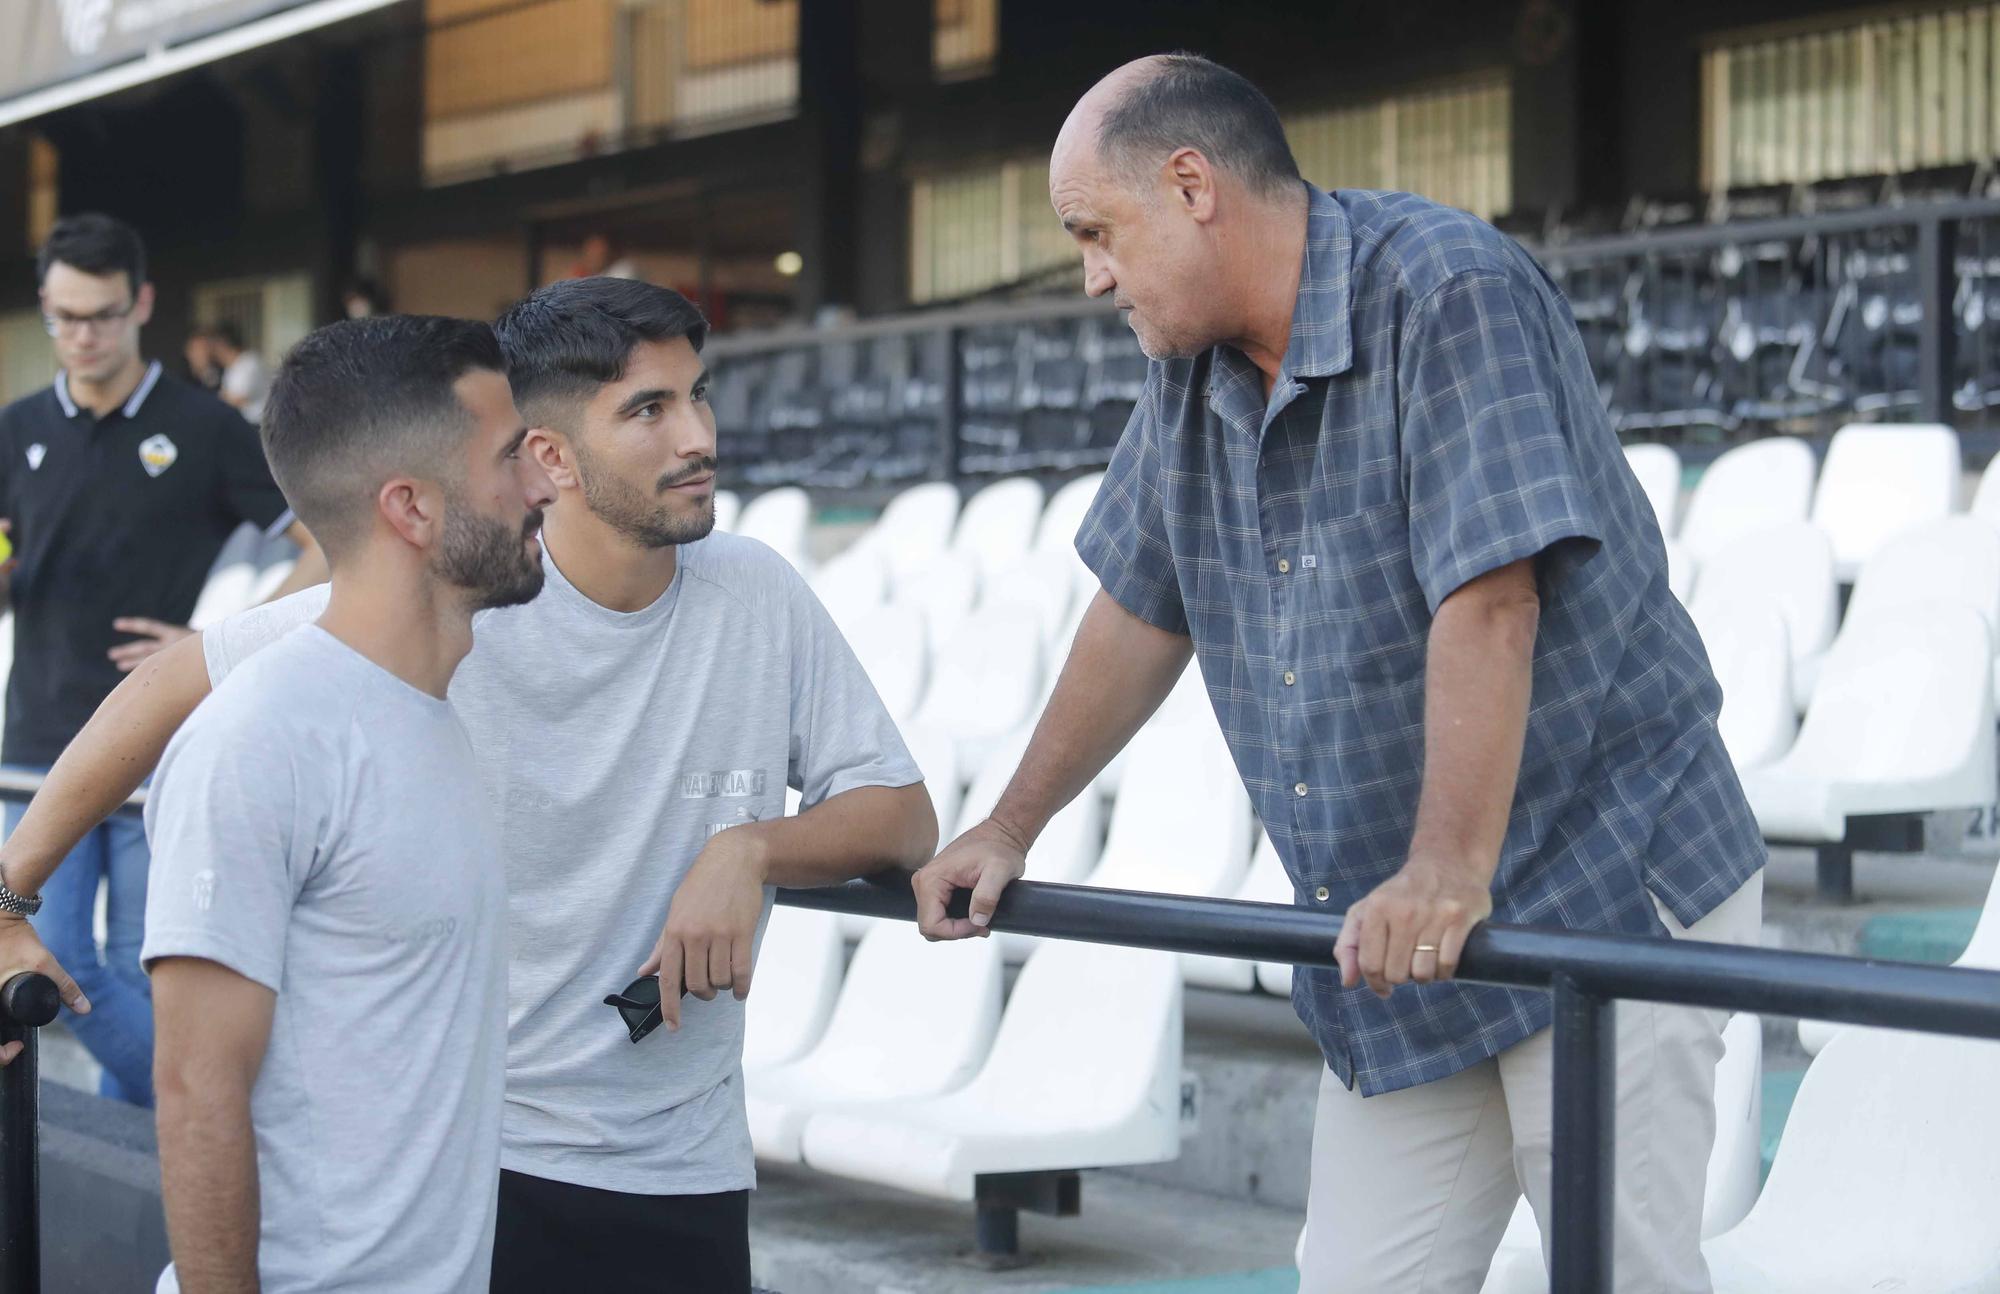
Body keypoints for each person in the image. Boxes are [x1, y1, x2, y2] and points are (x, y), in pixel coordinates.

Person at [913, 55, 1767, 1293]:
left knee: (1617, 1272)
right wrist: (1009, 825)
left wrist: (1444, 867)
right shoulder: (1185, 366)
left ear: (1190, 185)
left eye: (1096, 233)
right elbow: (1136, 611)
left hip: (1599, 880)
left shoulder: (1446, 289)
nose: (1091, 274)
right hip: (1399, 940)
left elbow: (1492, 599)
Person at [0, 277, 936, 1290]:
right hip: (487, 1151)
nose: (696, 436)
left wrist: (750, 846)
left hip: (681, 1158)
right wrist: (13, 889)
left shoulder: (755, 593)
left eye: (697, 396)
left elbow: (901, 814)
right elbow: (175, 684)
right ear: (547, 456)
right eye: (648, 410)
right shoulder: (459, 592)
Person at [145, 314, 553, 1293]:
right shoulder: (262, 735)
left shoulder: (432, 716)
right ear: (411, 508)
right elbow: (197, 1092)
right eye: (511, 457)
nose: (544, 484)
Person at [0, 213, 325, 1108]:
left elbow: (327, 543)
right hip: (39, 748)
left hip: (164, 748)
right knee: (55, 964)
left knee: (143, 976)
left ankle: (158, 1180)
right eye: (65, 317)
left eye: (102, 314)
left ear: (140, 303)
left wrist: (220, 643)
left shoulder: (202, 426)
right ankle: (223, 1123)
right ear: (45, 309)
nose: (83, 336)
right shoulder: (16, 427)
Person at [208, 321, 273, 426]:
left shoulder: (250, 361)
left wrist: (222, 398)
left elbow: (239, 398)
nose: (214, 353)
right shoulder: (230, 367)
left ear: (223, 345)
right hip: (242, 424)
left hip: (259, 424)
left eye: (215, 347)